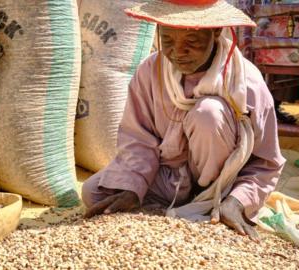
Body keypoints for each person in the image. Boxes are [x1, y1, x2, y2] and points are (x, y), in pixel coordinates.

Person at [82, 0, 286, 240]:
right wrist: (132, 188)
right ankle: (186, 208)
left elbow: (265, 164)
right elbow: (138, 139)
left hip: (222, 186)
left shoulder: (246, 83)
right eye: (167, 41)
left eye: (191, 42)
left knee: (208, 113)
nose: (178, 52)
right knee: (93, 192)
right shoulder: (150, 72)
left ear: (215, 32)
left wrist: (238, 200)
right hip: (169, 178)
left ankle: (211, 203)